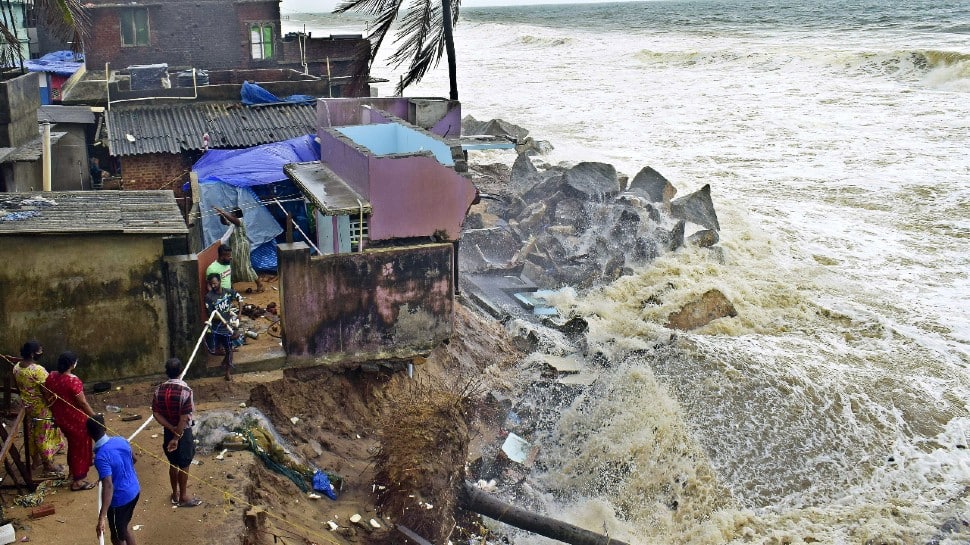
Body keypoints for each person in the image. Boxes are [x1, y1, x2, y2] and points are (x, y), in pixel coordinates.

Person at [151, 357, 202, 507]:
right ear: (181, 371)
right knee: (184, 464)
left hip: (168, 431)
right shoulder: (186, 391)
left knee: (173, 463)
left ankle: (175, 493)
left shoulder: (158, 390)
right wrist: (177, 435)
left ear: (166, 372)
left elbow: (156, 413)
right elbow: (184, 418)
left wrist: (170, 429)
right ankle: (184, 496)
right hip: (183, 433)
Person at [45, 351, 97, 490]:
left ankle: (72, 474)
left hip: (61, 418)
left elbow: (46, 393)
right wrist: (94, 417)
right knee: (80, 447)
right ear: (72, 364)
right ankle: (79, 481)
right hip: (76, 419)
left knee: (73, 446)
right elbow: (83, 403)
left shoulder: (52, 376)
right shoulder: (73, 381)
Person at [12, 340, 64, 476]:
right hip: (41, 407)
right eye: (39, 351)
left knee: (31, 433)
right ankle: (48, 465)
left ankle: (35, 462)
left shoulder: (17, 367)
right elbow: (46, 392)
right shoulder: (38, 370)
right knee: (43, 436)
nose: (41, 353)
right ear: (32, 354)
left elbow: (19, 388)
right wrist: (54, 404)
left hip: (27, 406)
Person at [87, 414, 140, 545]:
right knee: (124, 527)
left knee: (117, 538)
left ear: (89, 434)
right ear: (105, 427)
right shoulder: (121, 440)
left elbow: (109, 486)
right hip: (135, 490)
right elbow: (134, 459)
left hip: (119, 500)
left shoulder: (101, 457)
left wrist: (102, 517)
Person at [214, 206, 264, 293]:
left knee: (245, 266)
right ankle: (231, 287)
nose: (231, 213)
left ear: (236, 214)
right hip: (234, 247)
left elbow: (232, 220)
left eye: (232, 212)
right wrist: (222, 216)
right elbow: (224, 222)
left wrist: (223, 212)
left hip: (242, 247)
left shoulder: (240, 221)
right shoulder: (232, 223)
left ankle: (259, 284)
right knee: (233, 265)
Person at [205, 272, 242, 380]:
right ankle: (225, 363)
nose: (213, 286)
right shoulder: (209, 297)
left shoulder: (228, 292)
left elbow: (240, 298)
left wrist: (239, 313)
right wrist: (224, 320)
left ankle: (228, 372)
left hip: (228, 327)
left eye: (215, 283)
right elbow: (211, 314)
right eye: (211, 284)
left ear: (220, 282)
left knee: (229, 348)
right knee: (221, 349)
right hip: (217, 328)